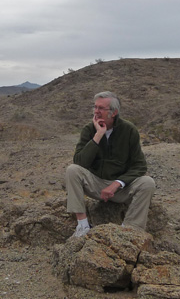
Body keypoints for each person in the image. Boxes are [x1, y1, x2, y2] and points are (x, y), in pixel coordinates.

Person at [66, 91, 155, 237]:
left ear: (114, 113)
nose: (96, 111)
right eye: (95, 107)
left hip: (120, 189)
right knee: (72, 170)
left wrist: (117, 183)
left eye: (101, 108)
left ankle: (130, 230)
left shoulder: (129, 130)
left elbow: (140, 166)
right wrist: (98, 135)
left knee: (148, 183)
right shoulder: (89, 129)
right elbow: (80, 162)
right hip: (95, 185)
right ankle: (83, 226)